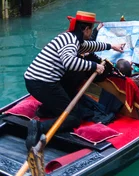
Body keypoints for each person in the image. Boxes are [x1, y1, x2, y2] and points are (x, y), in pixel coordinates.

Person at [24, 10, 125, 149]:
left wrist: (112, 46)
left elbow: (89, 46)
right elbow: (69, 62)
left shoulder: (70, 37)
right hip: (43, 84)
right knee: (74, 118)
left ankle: (45, 110)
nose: (91, 33)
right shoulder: (71, 42)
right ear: (86, 29)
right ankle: (39, 127)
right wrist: (94, 66)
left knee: (68, 89)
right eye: (91, 29)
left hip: (34, 80)